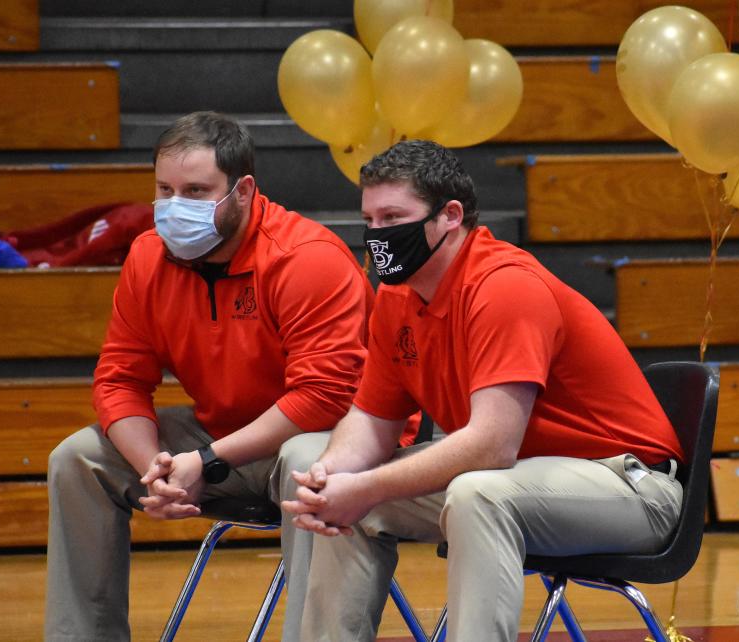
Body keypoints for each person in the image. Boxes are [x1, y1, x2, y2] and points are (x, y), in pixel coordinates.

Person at [283, 140, 685, 642]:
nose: (378, 236)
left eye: (393, 218)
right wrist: (334, 474)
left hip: (630, 487)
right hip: (520, 477)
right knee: (331, 483)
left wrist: (364, 488)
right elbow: (370, 420)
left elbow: (493, 445)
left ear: (450, 215)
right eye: (371, 221)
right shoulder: (395, 298)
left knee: (476, 493)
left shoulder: (503, 286)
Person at [44, 111, 373, 642]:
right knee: (77, 459)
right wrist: (153, 467)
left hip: (326, 439)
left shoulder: (307, 259)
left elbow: (326, 395)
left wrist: (207, 461)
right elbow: (120, 379)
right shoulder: (148, 257)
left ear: (242, 191)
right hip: (221, 437)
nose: (176, 207)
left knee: (309, 463)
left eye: (196, 191)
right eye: (165, 190)